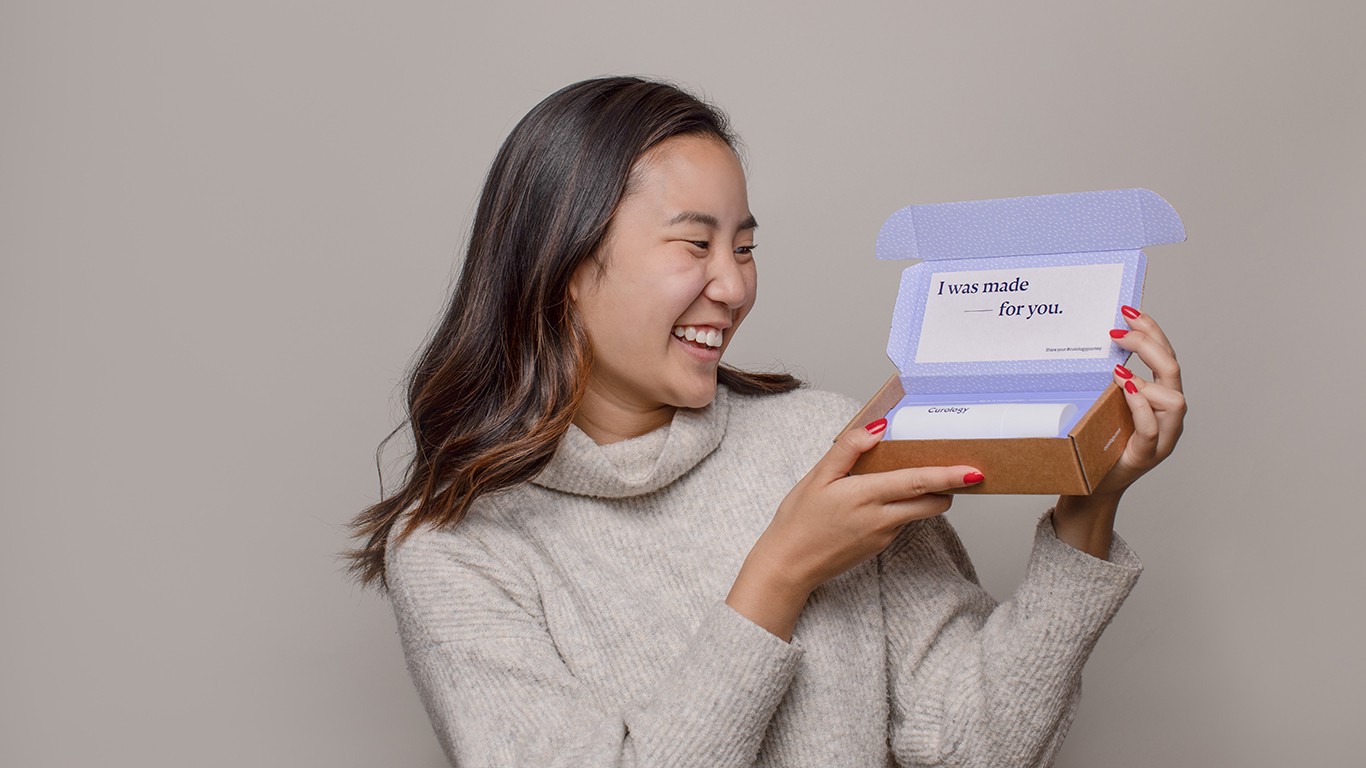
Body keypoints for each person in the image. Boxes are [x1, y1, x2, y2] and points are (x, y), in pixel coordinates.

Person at [347, 76, 1186, 767]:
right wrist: (780, 572)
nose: (734, 287)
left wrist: (1088, 508)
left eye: (744, 247)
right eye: (694, 244)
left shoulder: (827, 444)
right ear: (564, 263)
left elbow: (974, 747)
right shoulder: (457, 550)